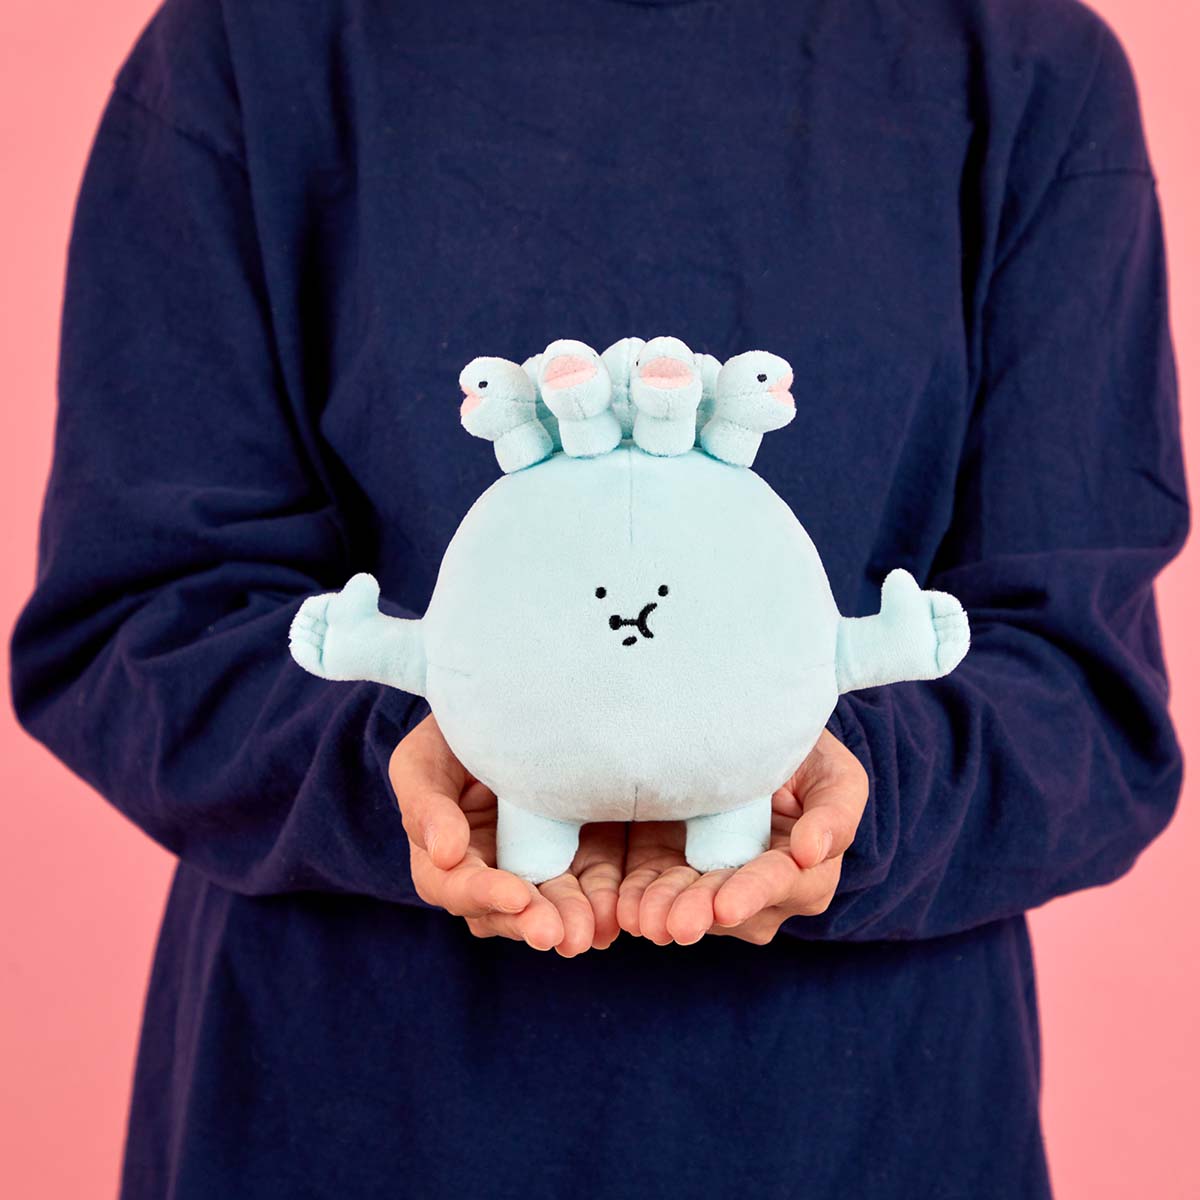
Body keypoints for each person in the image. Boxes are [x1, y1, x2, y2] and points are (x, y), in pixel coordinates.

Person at [11, 0, 1187, 1196]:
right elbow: (139, 619)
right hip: (334, 1118)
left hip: (869, 1133)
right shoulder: (245, 44)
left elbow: (1089, 697)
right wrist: (419, 763)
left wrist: (844, 791)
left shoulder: (1028, 68)